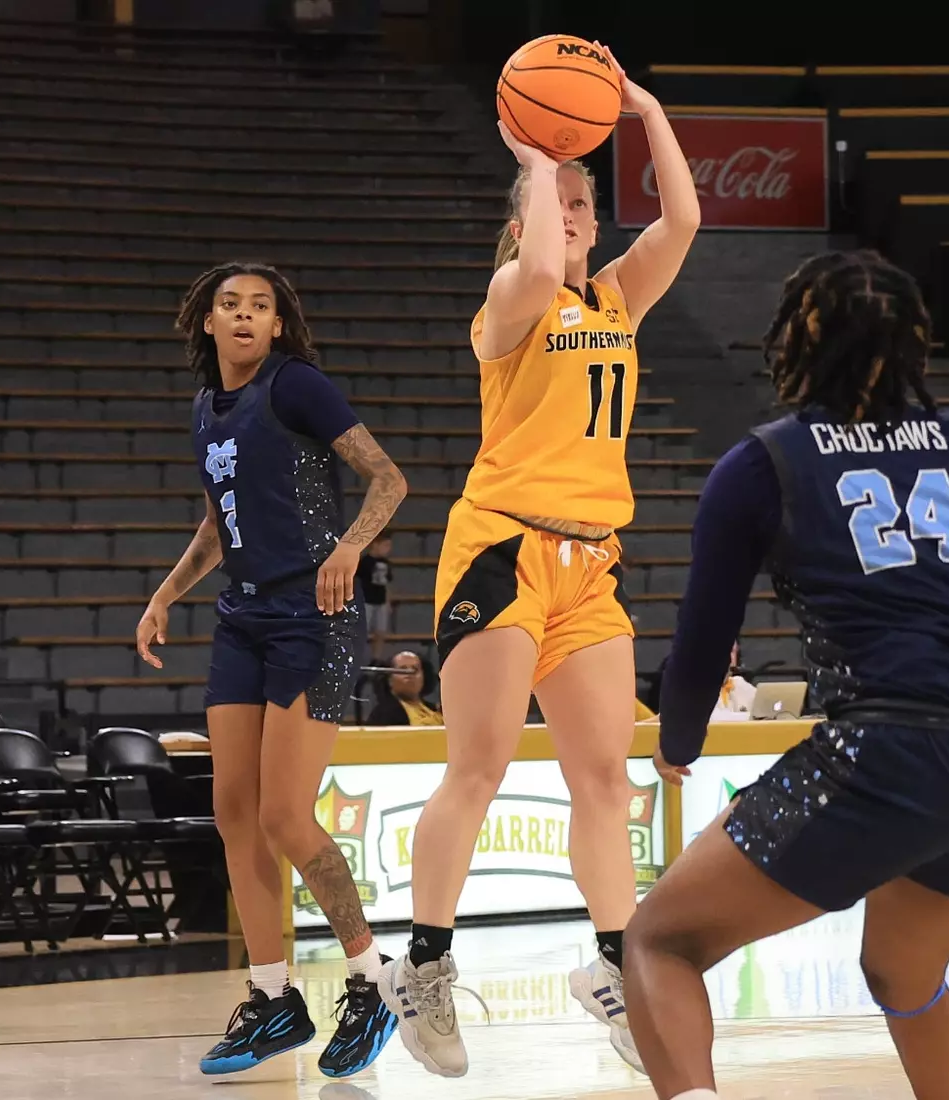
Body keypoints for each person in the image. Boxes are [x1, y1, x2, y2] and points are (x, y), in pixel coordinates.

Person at [622, 251, 949, 1100]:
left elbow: (706, 636)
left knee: (658, 942)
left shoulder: (762, 464)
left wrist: (678, 738)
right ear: (917, 346)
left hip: (886, 751)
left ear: (794, 344)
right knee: (901, 972)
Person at [378, 41, 698, 1078]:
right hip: (502, 550)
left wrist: (640, 111)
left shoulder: (614, 300)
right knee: (478, 766)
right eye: (555, 205)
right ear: (518, 226)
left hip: (590, 562)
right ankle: (423, 966)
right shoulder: (509, 304)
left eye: (584, 205)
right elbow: (542, 262)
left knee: (605, 776)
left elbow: (685, 221)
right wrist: (534, 157)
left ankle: (613, 965)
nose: (573, 217)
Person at [136, 261, 408, 1079]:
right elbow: (219, 528)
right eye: (230, 305)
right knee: (233, 810)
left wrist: (352, 548)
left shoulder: (298, 387)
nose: (246, 316)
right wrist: (164, 595)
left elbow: (389, 478)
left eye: (261, 306)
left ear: (278, 325)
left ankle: (371, 982)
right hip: (241, 617)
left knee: (287, 816)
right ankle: (272, 998)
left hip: (314, 619)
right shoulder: (204, 412)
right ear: (208, 324)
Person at [367, 649, 442, 727]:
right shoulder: (382, 714)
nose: (409, 674)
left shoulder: (435, 709)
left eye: (414, 669)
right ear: (389, 679)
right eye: (403, 669)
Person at [358, 531, 393, 647]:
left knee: (380, 631)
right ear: (375, 544)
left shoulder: (386, 563)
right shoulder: (364, 562)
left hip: (381, 600)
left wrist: (388, 602)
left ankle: (376, 658)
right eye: (385, 545)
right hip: (366, 600)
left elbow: (386, 584)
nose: (388, 549)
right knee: (363, 630)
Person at [709, 641, 756, 722]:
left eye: (731, 651)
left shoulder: (740, 684)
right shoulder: (692, 689)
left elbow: (766, 710)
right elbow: (715, 719)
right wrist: (756, 718)